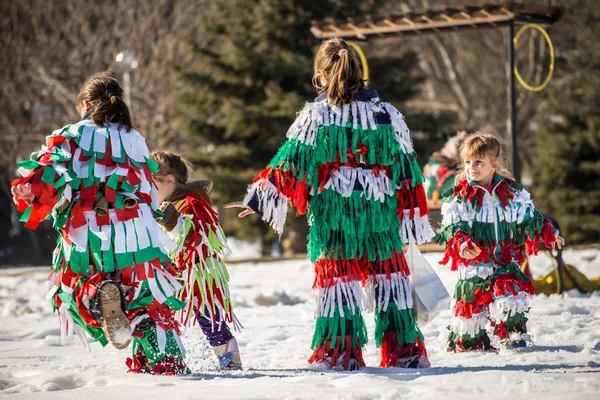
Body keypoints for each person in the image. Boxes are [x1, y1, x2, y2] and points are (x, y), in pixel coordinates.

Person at [226, 38, 434, 370]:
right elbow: (406, 169)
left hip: (335, 216)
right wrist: (410, 219)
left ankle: (341, 356)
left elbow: (292, 162)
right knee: (390, 281)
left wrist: (258, 198)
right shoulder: (387, 114)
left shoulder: (317, 115)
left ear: (320, 76)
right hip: (379, 215)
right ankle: (406, 354)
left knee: (340, 287)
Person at [11, 72, 188, 374]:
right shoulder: (135, 139)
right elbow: (145, 187)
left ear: (85, 104)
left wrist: (30, 188)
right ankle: (165, 363)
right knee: (147, 298)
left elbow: (47, 174)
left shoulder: (72, 134)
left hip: (89, 233)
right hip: (137, 232)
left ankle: (104, 299)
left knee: (73, 293)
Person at [437, 133, 565, 351]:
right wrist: (463, 243)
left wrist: (548, 232)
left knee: (512, 296)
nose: (472, 167)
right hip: (475, 265)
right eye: (468, 162)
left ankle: (513, 334)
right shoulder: (461, 197)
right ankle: (471, 342)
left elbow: (529, 216)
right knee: (470, 311)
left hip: (505, 260)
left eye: (478, 162)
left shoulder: (511, 193)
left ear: (494, 165)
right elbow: (453, 226)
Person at [150, 151, 242, 370]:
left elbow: (198, 235)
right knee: (158, 316)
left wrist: (172, 221)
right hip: (177, 274)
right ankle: (165, 360)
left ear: (169, 179)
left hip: (199, 274)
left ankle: (231, 363)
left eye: (151, 183)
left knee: (211, 322)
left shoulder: (191, 202)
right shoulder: (171, 203)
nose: (148, 190)